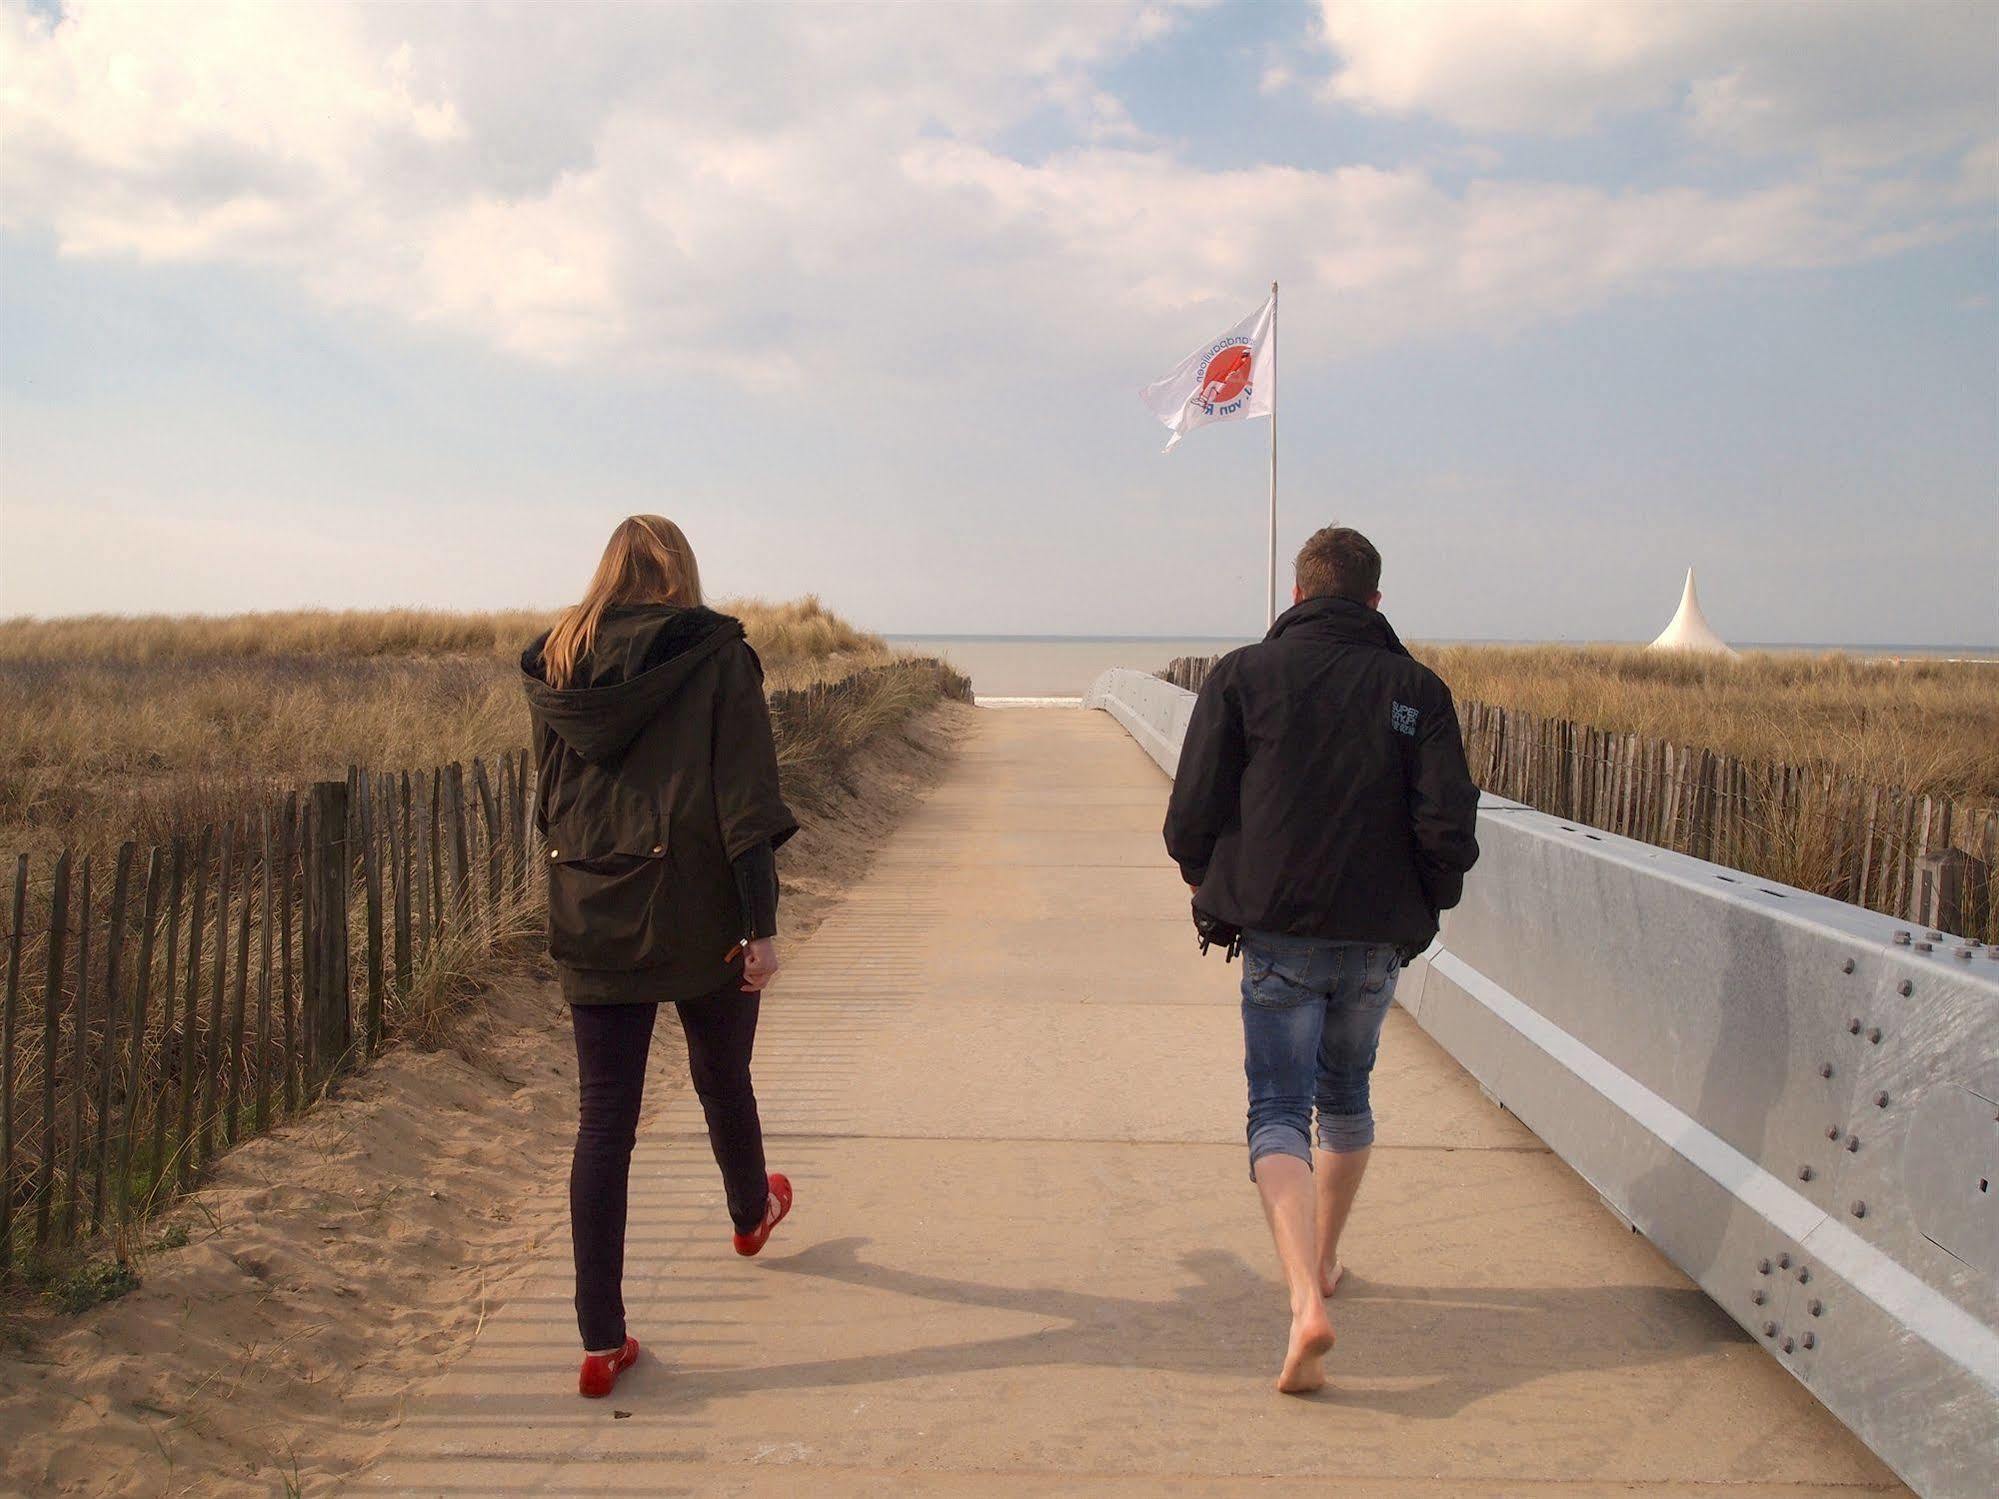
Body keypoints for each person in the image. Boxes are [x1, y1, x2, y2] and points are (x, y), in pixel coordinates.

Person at [1163, 525, 1480, 1395]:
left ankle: (1305, 1296)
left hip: (1279, 934)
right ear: (1375, 602)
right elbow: (1448, 828)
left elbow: (1190, 814)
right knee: (1347, 1093)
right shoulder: (1418, 690)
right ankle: (1329, 1255)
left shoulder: (1242, 675)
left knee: (1276, 1108)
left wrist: (1223, 881)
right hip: (1376, 940)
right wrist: (1421, 907)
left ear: (1298, 595)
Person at [522, 515, 800, 1400]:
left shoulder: (557, 658)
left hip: (592, 901)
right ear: (680, 570)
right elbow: (746, 800)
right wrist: (760, 924)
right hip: (697, 905)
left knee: (604, 1120)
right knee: (722, 1074)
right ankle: (750, 1212)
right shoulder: (717, 654)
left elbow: (547, 798)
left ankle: (600, 1341)